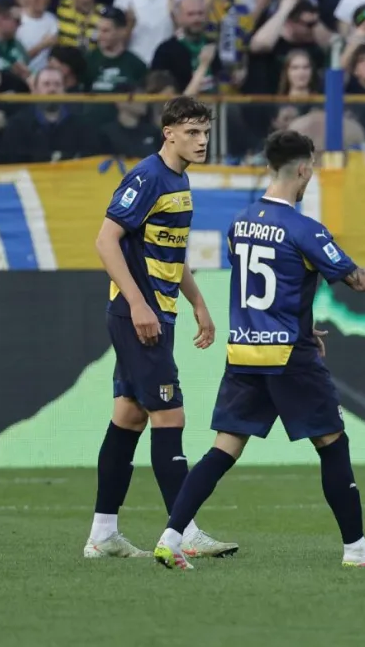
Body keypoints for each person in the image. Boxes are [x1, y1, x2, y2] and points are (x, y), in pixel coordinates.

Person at [153, 130, 365, 570]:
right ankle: (356, 549)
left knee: (223, 449)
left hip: (244, 353)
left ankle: (171, 537)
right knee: (333, 443)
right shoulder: (304, 228)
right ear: (304, 168)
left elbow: (267, 289)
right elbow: (358, 280)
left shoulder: (240, 222)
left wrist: (305, 326)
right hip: (288, 357)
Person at [87, 95, 237, 560]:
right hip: (140, 315)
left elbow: (170, 252)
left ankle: (103, 534)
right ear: (168, 132)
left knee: (129, 415)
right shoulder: (147, 176)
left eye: (205, 133)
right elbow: (105, 240)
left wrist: (198, 304)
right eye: (192, 132)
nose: (201, 141)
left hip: (160, 312)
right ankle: (184, 530)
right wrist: (137, 304)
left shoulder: (179, 181)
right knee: (170, 415)